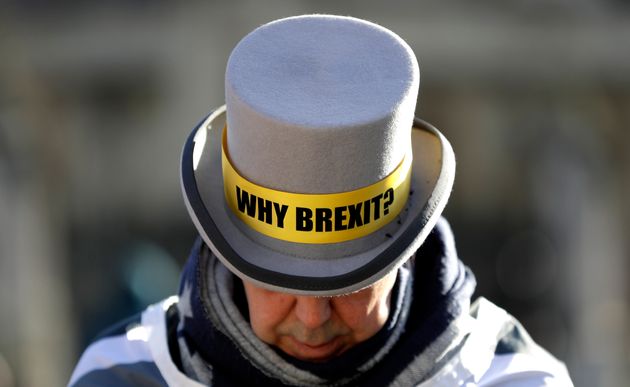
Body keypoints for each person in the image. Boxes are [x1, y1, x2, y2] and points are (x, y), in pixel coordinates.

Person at [69, 15, 573, 386]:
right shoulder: (121, 376)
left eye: (350, 282)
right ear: (226, 248)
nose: (313, 319)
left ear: (404, 252)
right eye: (276, 279)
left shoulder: (517, 379)